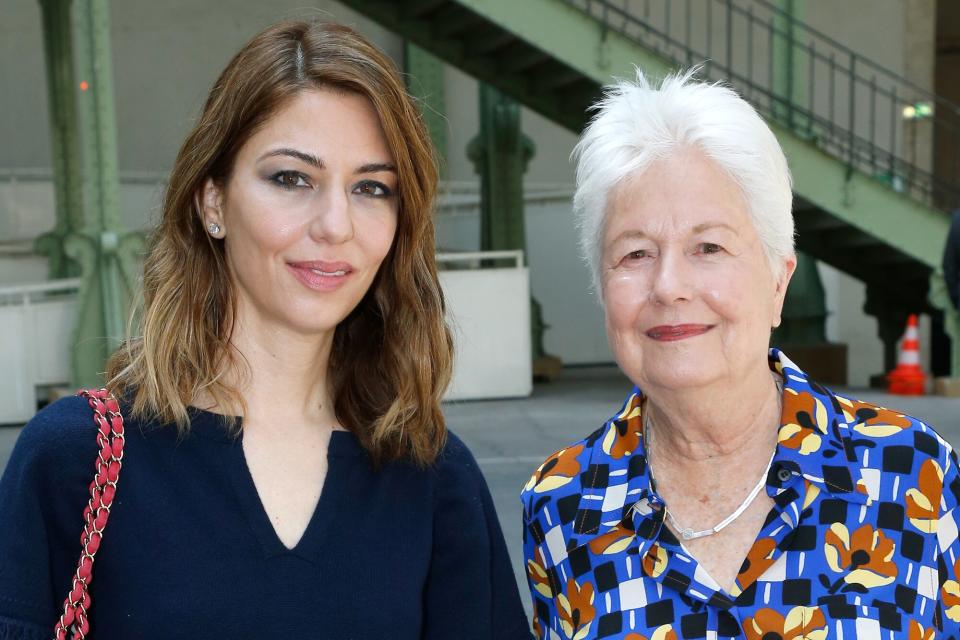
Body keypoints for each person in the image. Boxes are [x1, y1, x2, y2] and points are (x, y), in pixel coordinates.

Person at [0, 20, 530, 639]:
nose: (336, 224)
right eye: (291, 178)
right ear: (213, 202)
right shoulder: (74, 460)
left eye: (371, 187)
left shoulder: (432, 476)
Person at [521, 69, 960, 639]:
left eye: (709, 246)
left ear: (779, 282)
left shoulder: (911, 474)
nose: (668, 285)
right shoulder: (562, 505)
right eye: (634, 254)